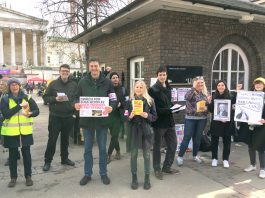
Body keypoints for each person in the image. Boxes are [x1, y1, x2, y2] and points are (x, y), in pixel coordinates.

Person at [74, 58, 117, 186]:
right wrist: (75, 103)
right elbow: (76, 97)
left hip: (102, 121)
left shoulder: (107, 82)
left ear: (99, 67)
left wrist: (112, 107)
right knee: (87, 149)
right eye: (91, 66)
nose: (94, 68)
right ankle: (87, 174)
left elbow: (113, 98)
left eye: (96, 66)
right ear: (89, 67)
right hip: (87, 121)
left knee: (102, 149)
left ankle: (103, 173)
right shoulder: (82, 82)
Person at [0, 78, 39, 187]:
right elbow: (6, 114)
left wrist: (30, 113)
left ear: (19, 86)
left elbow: (37, 111)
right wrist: (19, 106)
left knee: (26, 155)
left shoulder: (27, 97)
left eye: (16, 84)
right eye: (12, 85)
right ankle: (13, 177)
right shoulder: (5, 99)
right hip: (11, 133)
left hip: (25, 132)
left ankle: (28, 176)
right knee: (12, 156)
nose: (14, 86)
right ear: (9, 87)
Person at [42, 64, 77, 171]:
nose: (65, 73)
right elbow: (45, 98)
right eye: (63, 71)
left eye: (67, 71)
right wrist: (55, 99)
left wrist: (74, 113)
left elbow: (77, 98)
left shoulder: (74, 85)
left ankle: (64, 158)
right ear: (59, 72)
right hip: (55, 117)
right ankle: (47, 161)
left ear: (69, 72)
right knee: (52, 140)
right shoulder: (53, 84)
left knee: (65, 139)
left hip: (68, 117)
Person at [148, 66, 179, 180]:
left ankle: (167, 166)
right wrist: (169, 110)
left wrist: (175, 108)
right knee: (157, 147)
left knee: (173, 144)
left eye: (164, 74)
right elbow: (153, 109)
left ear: (166, 76)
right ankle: (157, 169)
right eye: (160, 74)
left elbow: (169, 104)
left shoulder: (169, 87)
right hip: (159, 123)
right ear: (157, 75)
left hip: (170, 122)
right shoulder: (152, 90)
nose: (162, 76)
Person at [126, 80, 157, 190]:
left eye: (141, 87)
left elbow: (154, 117)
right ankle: (134, 178)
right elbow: (125, 117)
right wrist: (130, 116)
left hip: (146, 131)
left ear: (144, 89)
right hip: (134, 131)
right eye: (137, 87)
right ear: (134, 88)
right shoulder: (129, 101)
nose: (138, 89)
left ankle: (147, 178)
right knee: (133, 155)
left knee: (147, 155)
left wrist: (147, 115)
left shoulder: (150, 101)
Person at [176, 76, 211, 166]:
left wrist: (208, 104)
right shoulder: (191, 92)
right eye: (198, 83)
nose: (200, 84)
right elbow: (186, 97)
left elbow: (208, 105)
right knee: (187, 137)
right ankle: (180, 156)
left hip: (202, 119)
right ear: (194, 83)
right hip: (191, 118)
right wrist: (194, 88)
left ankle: (195, 155)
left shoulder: (206, 93)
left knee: (197, 138)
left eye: (201, 83)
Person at [238, 77, 265, 179]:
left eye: (260, 84)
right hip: (250, 124)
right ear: (254, 85)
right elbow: (242, 105)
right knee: (250, 145)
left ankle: (263, 169)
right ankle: (252, 165)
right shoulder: (249, 95)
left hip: (261, 125)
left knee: (261, 148)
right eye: (256, 84)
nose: (258, 85)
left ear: (263, 86)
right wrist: (239, 93)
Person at [208, 80, 235, 168]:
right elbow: (211, 110)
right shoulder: (214, 96)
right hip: (216, 123)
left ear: (225, 86)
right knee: (214, 142)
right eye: (219, 85)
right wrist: (209, 102)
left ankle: (225, 159)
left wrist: (227, 117)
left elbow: (233, 110)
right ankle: (214, 158)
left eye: (222, 85)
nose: (220, 87)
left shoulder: (231, 96)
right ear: (217, 87)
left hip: (227, 123)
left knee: (227, 142)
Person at [107, 72, 129, 164]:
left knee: (114, 135)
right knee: (113, 135)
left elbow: (128, 102)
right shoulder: (107, 89)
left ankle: (108, 155)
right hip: (109, 115)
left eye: (117, 77)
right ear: (110, 79)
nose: (115, 79)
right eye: (113, 78)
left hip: (118, 116)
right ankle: (118, 151)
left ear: (118, 79)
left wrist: (121, 104)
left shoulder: (124, 89)